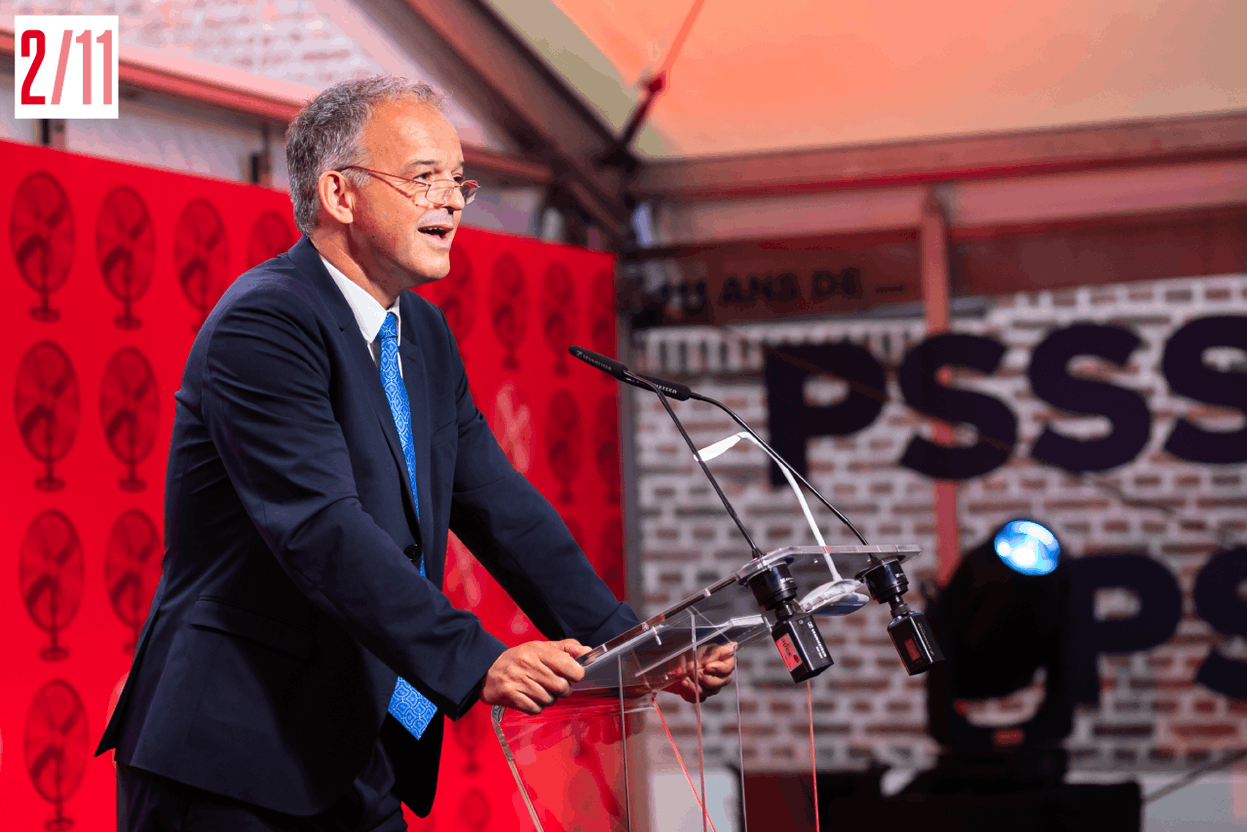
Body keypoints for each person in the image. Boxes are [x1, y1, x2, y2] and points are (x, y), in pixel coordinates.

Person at [96, 75, 733, 831]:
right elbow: (317, 525)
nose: (454, 200)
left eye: (459, 179)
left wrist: (632, 645)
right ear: (339, 195)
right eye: (423, 177)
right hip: (235, 753)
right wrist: (478, 657)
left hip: (356, 749)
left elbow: (502, 510)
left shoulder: (421, 336)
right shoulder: (266, 322)